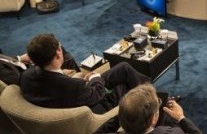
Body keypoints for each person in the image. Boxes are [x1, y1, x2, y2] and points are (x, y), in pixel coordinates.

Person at [20, 34, 151, 114]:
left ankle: (150, 93)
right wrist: (94, 77)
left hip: (69, 101)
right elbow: (96, 94)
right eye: (60, 47)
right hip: (93, 110)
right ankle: (152, 102)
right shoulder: (73, 85)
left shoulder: (26, 76)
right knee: (125, 84)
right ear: (58, 53)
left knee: (124, 68)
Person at [88, 84, 207, 134]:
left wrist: (126, 112)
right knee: (168, 118)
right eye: (158, 107)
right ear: (153, 119)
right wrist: (181, 118)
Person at [0, 47, 80, 86]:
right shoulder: (3, 72)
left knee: (58, 50)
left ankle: (77, 78)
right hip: (37, 76)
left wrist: (20, 58)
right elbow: (20, 81)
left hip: (28, 68)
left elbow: (7, 61)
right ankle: (77, 81)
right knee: (66, 58)